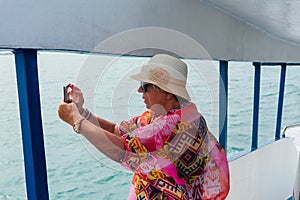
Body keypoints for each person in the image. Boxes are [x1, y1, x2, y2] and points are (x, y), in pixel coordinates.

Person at [58, 54, 230, 200]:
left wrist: (77, 121)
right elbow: (116, 131)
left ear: (168, 92)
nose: (140, 91)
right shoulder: (180, 114)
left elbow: (121, 150)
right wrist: (83, 112)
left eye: (145, 86)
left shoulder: (173, 125)